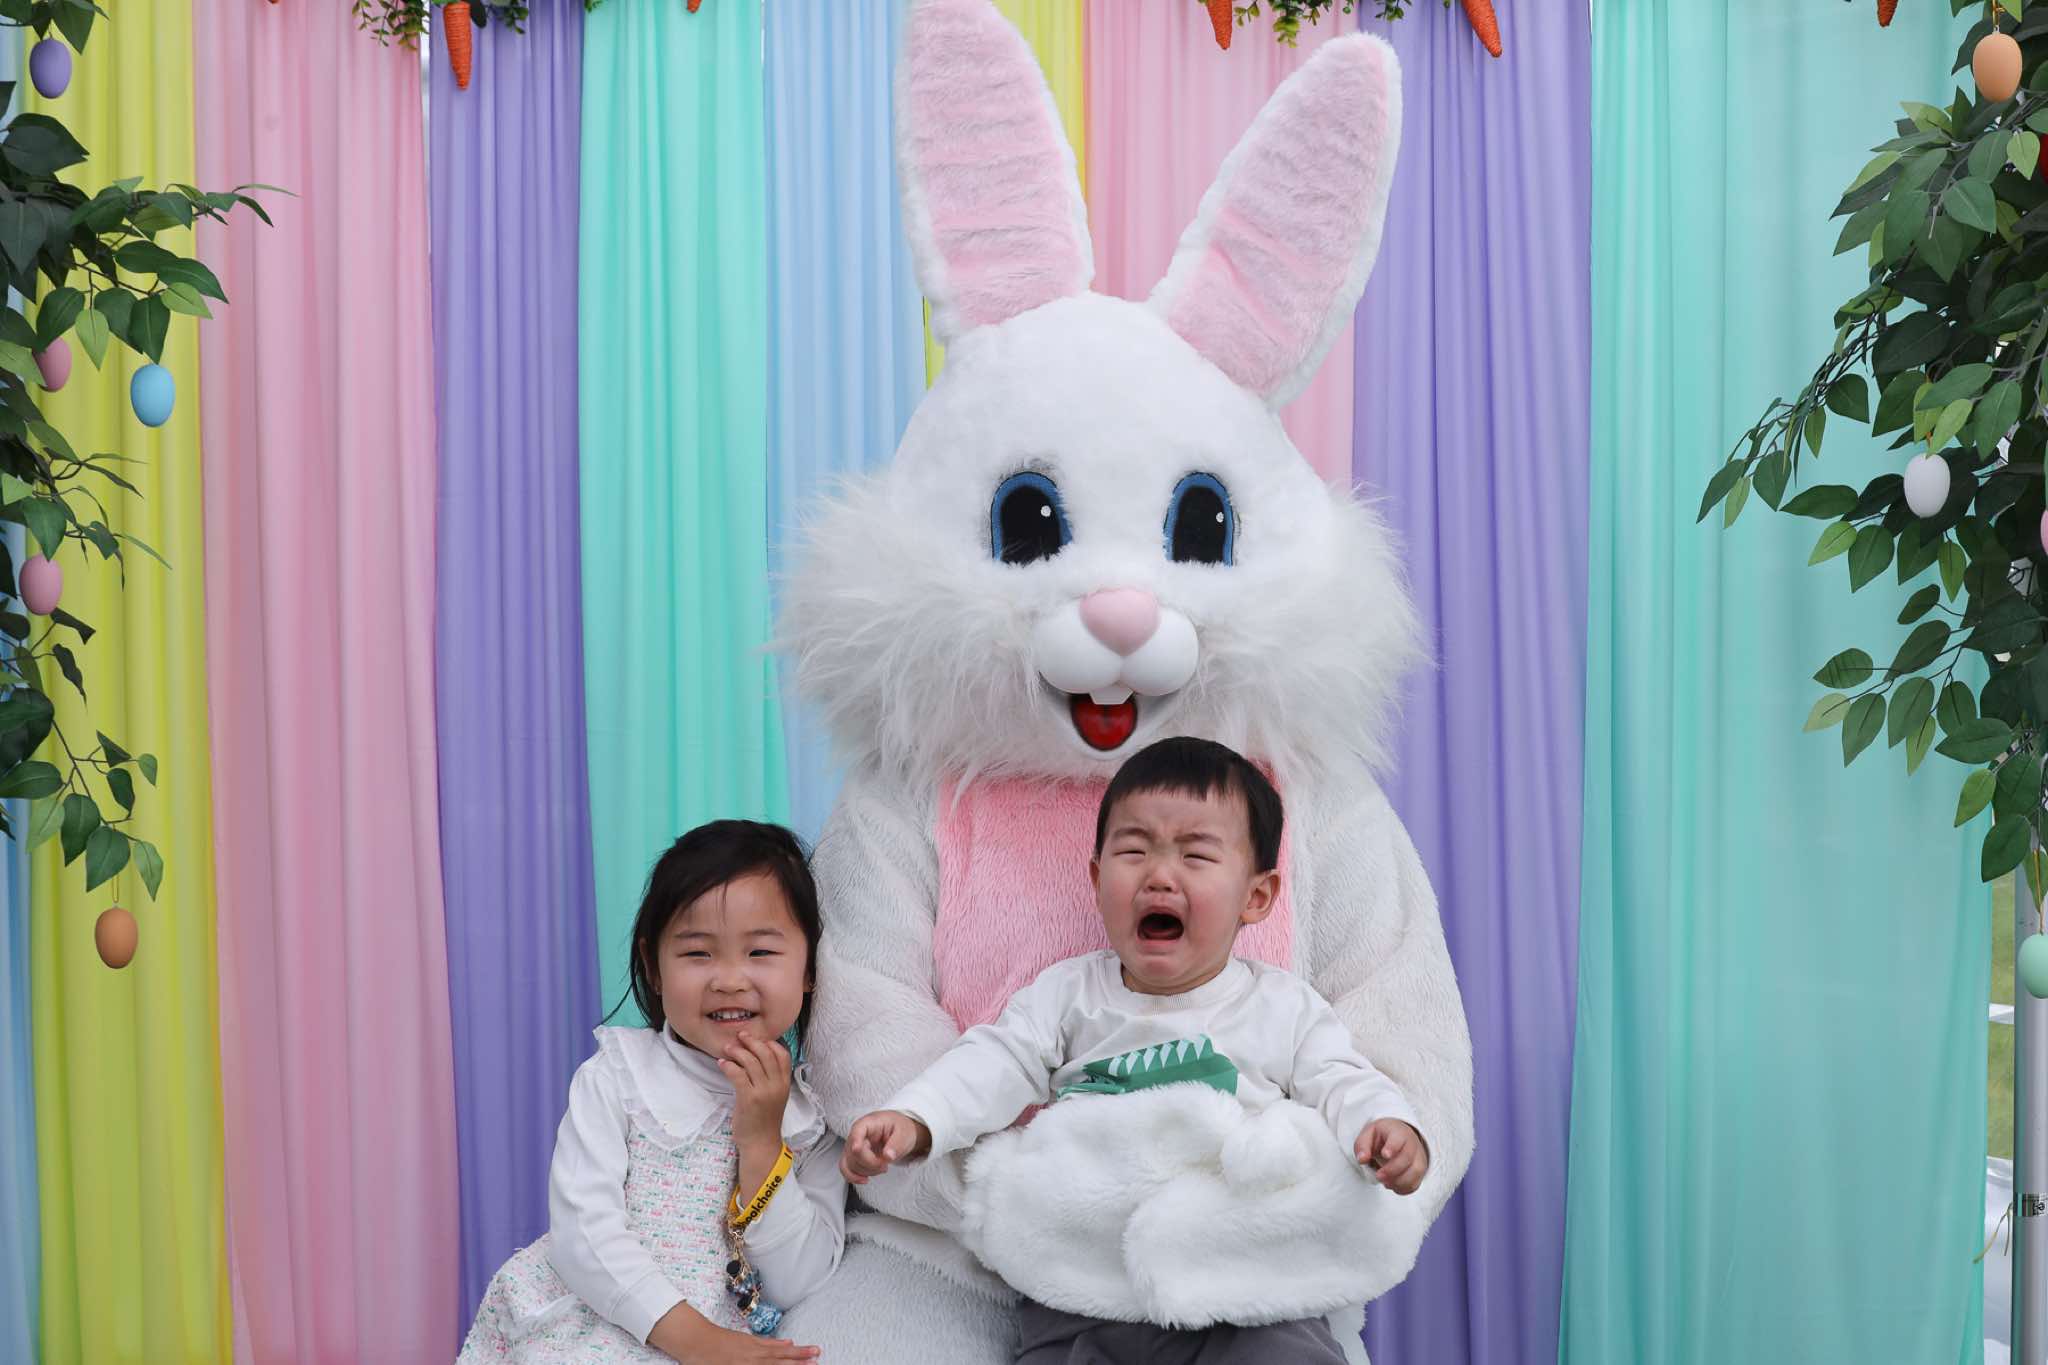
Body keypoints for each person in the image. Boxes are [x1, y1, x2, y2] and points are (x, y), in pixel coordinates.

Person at [843, 738, 1429, 1364]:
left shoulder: (1283, 1007)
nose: (1160, 875)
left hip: (1242, 1279)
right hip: (1085, 1284)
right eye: (1134, 850)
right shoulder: (1067, 996)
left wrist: (1386, 1126)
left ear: (1256, 897)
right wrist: (918, 1119)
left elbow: (1342, 1078)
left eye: (1196, 854)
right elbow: (991, 1062)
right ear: (1098, 878)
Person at [458, 821, 843, 1364]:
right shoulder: (619, 1077)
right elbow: (583, 1233)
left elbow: (800, 1281)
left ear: (809, 968)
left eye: (760, 952)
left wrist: (762, 1142)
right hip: (602, 1325)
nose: (729, 979)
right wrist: (698, 1341)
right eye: (698, 954)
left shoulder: (813, 1119)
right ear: (653, 968)